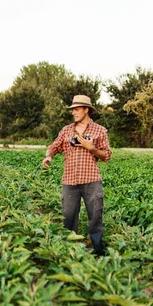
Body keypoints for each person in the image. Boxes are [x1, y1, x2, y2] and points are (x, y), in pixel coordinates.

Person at [42, 95, 112, 255]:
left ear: (86, 110)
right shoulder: (66, 130)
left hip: (91, 180)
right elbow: (54, 146)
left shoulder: (99, 131)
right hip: (70, 181)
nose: (74, 112)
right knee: (68, 215)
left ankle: (98, 250)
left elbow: (106, 156)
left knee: (95, 216)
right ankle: (69, 250)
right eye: (73, 109)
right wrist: (49, 156)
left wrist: (91, 148)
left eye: (77, 109)